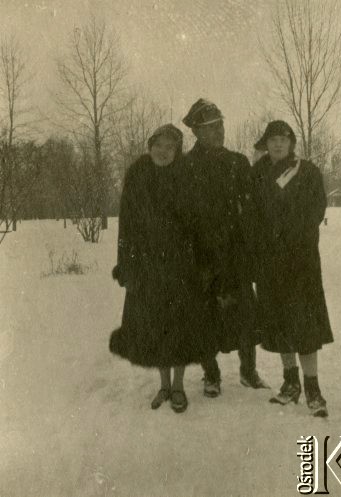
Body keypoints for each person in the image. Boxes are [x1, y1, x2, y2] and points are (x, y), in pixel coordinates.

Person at [109, 124, 215, 413]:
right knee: (156, 325)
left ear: (177, 151)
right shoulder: (138, 175)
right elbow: (126, 224)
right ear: (150, 146)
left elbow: (200, 224)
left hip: (182, 267)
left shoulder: (188, 176)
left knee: (179, 327)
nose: (163, 151)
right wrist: (127, 265)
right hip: (147, 266)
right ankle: (164, 385)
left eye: (170, 147)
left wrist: (203, 264)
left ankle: (178, 386)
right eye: (159, 145)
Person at [177, 98, 268, 398]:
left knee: (245, 313)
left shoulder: (237, 163)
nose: (219, 131)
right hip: (201, 255)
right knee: (205, 316)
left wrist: (251, 247)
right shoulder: (185, 167)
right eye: (211, 127)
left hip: (234, 253)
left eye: (220, 125)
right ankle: (211, 374)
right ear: (197, 132)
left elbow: (252, 208)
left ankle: (248, 371)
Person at [251, 120, 333, 417]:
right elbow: (250, 215)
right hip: (269, 262)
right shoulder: (257, 173)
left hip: (301, 261)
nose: (278, 144)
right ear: (265, 143)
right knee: (280, 324)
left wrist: (292, 235)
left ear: (292, 143)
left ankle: (313, 389)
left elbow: (316, 210)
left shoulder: (307, 171)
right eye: (272, 139)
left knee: (305, 327)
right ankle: (290, 383)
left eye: (283, 139)